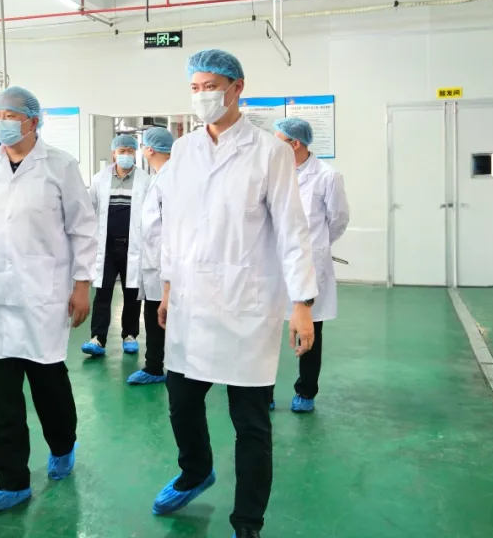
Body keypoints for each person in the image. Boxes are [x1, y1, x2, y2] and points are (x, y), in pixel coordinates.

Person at [153, 49, 318, 538]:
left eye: (210, 86)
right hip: (190, 302)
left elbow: (293, 231)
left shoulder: (270, 153)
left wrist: (302, 304)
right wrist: (167, 287)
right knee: (182, 402)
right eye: (195, 88)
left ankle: (247, 522)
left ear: (237, 88)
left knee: (250, 423)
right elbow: (173, 226)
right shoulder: (184, 151)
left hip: (246, 304)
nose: (202, 96)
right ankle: (195, 471)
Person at [0, 86, 98, 514]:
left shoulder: (60, 165)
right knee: (0, 396)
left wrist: (82, 285)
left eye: (11, 116)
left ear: (33, 121)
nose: (2, 123)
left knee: (48, 387)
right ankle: (11, 481)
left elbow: (83, 229)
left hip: (44, 294)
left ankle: (63, 444)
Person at [272, 117, 349, 413]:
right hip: (273, 260)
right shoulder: (274, 173)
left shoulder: (327, 176)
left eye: (278, 140)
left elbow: (338, 218)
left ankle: (306, 391)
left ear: (295, 144)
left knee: (309, 327)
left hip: (308, 263)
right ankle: (262, 390)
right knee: (267, 329)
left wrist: (316, 247)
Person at [82, 134, 149, 357]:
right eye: (122, 151)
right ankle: (97, 338)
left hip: (133, 246)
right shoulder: (99, 179)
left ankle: (130, 335)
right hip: (107, 247)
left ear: (135, 153)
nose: (126, 155)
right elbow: (89, 210)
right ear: (114, 153)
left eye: (130, 151)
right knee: (103, 293)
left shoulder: (145, 180)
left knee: (132, 292)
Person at [127, 126, 175, 385]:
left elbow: (171, 225)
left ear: (150, 149)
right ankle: (155, 366)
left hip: (164, 261)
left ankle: (158, 367)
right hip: (154, 261)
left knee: (161, 315)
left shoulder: (170, 178)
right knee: (153, 313)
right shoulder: (160, 175)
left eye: (143, 145)